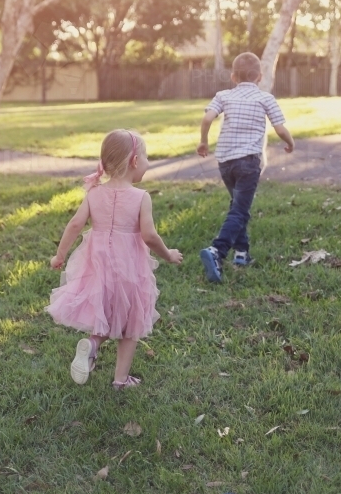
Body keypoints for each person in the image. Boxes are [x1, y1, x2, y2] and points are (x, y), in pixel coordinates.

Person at [47, 129, 183, 389]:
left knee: (106, 309)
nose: (147, 163)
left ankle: (93, 344)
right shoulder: (141, 197)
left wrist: (60, 255)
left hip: (97, 264)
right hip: (129, 266)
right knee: (130, 318)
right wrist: (168, 254)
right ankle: (120, 380)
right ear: (134, 161)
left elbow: (75, 224)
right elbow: (150, 235)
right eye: (146, 157)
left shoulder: (94, 193)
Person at [196, 52, 294, 283]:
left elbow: (207, 119)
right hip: (248, 162)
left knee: (237, 206)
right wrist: (290, 143)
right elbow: (280, 129)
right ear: (260, 77)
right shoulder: (265, 98)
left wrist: (203, 141)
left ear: (233, 77)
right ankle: (217, 251)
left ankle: (242, 253)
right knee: (240, 210)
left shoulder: (223, 95)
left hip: (225, 162)